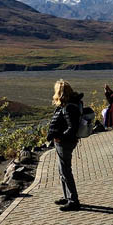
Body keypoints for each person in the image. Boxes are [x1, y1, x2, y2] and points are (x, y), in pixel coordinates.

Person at [47, 80, 83, 211]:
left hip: (64, 143)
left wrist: (60, 137)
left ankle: (73, 200)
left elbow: (72, 127)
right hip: (64, 142)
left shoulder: (68, 107)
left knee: (66, 171)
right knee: (62, 170)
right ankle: (67, 196)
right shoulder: (71, 104)